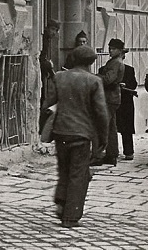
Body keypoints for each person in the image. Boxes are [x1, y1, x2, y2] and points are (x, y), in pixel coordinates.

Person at [42, 45, 109, 228]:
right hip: (81, 134)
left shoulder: (59, 76)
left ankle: (61, 202)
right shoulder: (94, 81)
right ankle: (71, 216)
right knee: (78, 174)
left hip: (61, 131)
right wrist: (103, 138)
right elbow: (101, 113)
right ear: (91, 61)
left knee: (63, 170)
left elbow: (48, 104)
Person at [92, 38, 125, 166]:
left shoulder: (115, 63)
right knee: (111, 127)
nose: (110, 51)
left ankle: (97, 155)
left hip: (109, 97)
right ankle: (111, 154)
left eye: (113, 49)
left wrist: (95, 77)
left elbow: (108, 80)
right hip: (112, 98)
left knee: (100, 126)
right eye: (110, 48)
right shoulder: (115, 61)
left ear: (120, 50)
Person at [39, 19, 60, 132]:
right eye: (52, 29)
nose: (54, 33)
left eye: (56, 30)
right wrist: (49, 67)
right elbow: (41, 59)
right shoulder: (42, 39)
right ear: (46, 28)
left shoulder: (47, 39)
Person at [116, 49, 137, 161]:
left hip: (126, 102)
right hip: (113, 101)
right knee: (111, 128)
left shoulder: (129, 70)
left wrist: (126, 85)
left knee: (127, 129)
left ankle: (129, 152)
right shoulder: (105, 69)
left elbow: (133, 84)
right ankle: (111, 151)